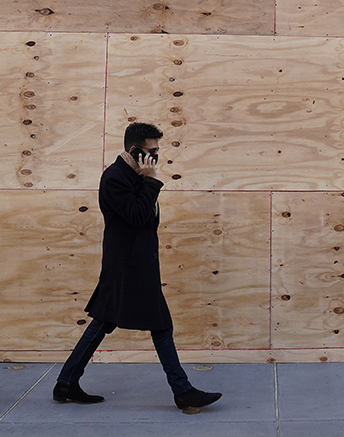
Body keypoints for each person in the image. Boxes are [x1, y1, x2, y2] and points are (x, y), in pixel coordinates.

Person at [53, 122, 222, 410]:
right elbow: (137, 215)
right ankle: (182, 391)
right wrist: (151, 181)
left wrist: (146, 180)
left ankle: (66, 382)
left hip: (133, 262)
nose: (156, 157)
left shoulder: (132, 175)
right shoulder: (116, 177)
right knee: (162, 326)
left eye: (157, 151)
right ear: (134, 150)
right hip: (128, 266)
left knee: (104, 321)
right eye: (151, 151)